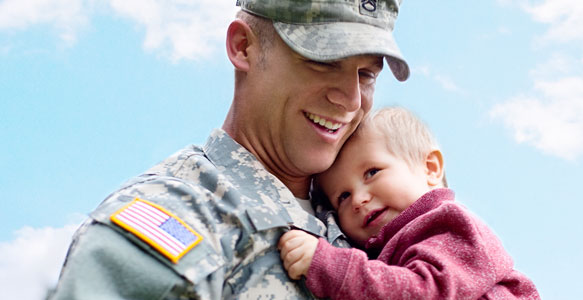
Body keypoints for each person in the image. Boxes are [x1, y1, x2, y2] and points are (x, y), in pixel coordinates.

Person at [51, 0, 409, 298]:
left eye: (367, 74)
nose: (350, 99)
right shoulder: (179, 215)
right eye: (324, 61)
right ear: (243, 47)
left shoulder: (368, 217)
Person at [278, 107, 541, 299]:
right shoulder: (384, 249)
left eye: (372, 172)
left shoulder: (449, 225)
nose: (358, 200)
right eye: (343, 197)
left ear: (430, 168)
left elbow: (423, 292)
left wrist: (328, 265)